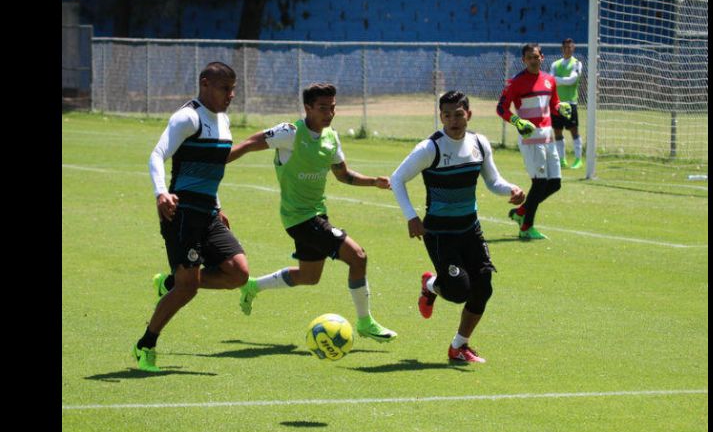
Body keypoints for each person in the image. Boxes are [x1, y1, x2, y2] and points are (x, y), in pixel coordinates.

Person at [226, 83, 397, 343]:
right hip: (300, 218)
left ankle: (252, 286)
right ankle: (365, 323)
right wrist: (215, 162)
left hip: (317, 215)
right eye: (322, 108)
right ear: (307, 108)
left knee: (309, 276)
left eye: (333, 108)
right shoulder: (290, 133)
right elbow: (250, 143)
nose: (329, 113)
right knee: (358, 257)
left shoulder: (331, 138)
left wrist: (373, 181)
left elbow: (344, 175)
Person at [134, 61, 258, 372]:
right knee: (187, 289)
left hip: (209, 212)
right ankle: (146, 344)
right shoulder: (187, 117)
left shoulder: (224, 120)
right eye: (224, 89)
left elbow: (211, 169)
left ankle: (172, 282)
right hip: (183, 212)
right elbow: (157, 154)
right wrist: (161, 192)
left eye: (233, 89)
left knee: (239, 273)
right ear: (205, 84)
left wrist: (218, 204)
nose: (230, 95)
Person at [390, 91, 526, 363]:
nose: (453, 120)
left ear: (469, 114)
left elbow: (493, 181)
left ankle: (459, 346)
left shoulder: (479, 143)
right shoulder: (431, 148)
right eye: (447, 115)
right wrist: (411, 216)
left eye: (459, 114)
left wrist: (511, 189)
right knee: (458, 290)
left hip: (470, 230)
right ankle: (430, 284)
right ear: (441, 117)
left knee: (483, 288)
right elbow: (397, 178)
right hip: (439, 233)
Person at [496, 43, 572, 240]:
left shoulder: (549, 80)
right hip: (531, 140)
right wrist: (517, 120)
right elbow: (501, 108)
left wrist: (560, 107)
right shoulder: (515, 83)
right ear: (523, 60)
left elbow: (553, 103)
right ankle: (526, 227)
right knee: (539, 183)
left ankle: (521, 212)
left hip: (549, 138)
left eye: (536, 56)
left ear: (542, 58)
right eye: (529, 57)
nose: (533, 60)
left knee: (555, 184)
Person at [549, 38, 584, 169]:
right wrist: (558, 80)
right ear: (562, 49)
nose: (568, 49)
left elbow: (572, 80)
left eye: (570, 47)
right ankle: (562, 160)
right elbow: (550, 80)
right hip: (557, 103)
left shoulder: (577, 63)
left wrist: (557, 79)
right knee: (557, 132)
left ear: (573, 48)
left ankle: (578, 159)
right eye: (566, 47)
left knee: (574, 131)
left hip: (570, 103)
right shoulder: (555, 64)